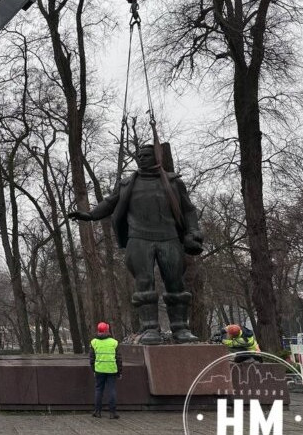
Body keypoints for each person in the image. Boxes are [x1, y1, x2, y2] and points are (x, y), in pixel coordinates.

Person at [70, 144, 204, 345]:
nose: (141, 158)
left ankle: (180, 328)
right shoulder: (127, 183)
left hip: (169, 237)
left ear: (156, 157)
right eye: (139, 156)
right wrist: (90, 215)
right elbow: (110, 202)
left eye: (146, 155)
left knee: (176, 283)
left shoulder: (173, 182)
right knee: (144, 282)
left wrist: (193, 232)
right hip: (139, 238)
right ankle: (150, 327)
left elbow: (188, 210)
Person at [90, 321, 122, 419]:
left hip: (99, 370)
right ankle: (112, 413)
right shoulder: (114, 342)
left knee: (99, 390)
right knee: (111, 390)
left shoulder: (94, 342)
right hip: (112, 370)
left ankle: (97, 412)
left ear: (98, 330)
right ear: (107, 331)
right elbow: (119, 359)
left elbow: (92, 358)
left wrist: (94, 370)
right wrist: (120, 372)